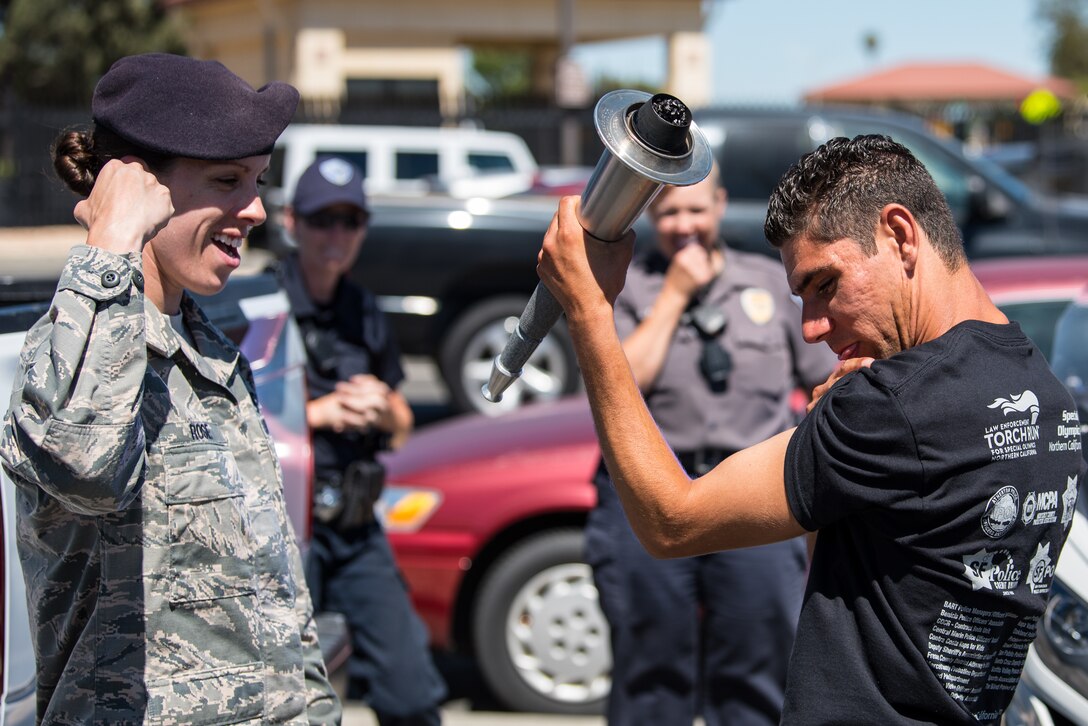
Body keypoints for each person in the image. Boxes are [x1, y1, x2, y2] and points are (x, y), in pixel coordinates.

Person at [535, 134, 1086, 724]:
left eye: (825, 283)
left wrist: (590, 311)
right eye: (800, 297)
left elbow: (670, 521)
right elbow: (844, 564)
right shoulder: (1047, 395)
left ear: (900, 236)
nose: (811, 327)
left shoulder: (893, 405)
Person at [0, 53, 341, 724]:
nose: (256, 210)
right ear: (141, 187)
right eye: (227, 180)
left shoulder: (210, 352)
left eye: (259, 180)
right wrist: (112, 239)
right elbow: (83, 468)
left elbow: (274, 590)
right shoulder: (70, 352)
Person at [584, 167, 836, 726]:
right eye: (670, 213)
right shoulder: (623, 285)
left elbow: (824, 379)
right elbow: (621, 381)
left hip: (754, 501)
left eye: (696, 210)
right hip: (649, 495)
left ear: (720, 204)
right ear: (650, 215)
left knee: (757, 670)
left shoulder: (767, 281)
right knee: (651, 673)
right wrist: (674, 294)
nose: (684, 225)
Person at [273, 156, 447, 726]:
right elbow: (226, 420)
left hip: (355, 523)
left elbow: (401, 425)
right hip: (289, 527)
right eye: (323, 220)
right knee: (290, 694)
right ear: (292, 222)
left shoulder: (364, 309)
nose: (337, 236)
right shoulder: (262, 305)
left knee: (411, 692)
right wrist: (317, 413)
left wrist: (383, 406)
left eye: (351, 222)